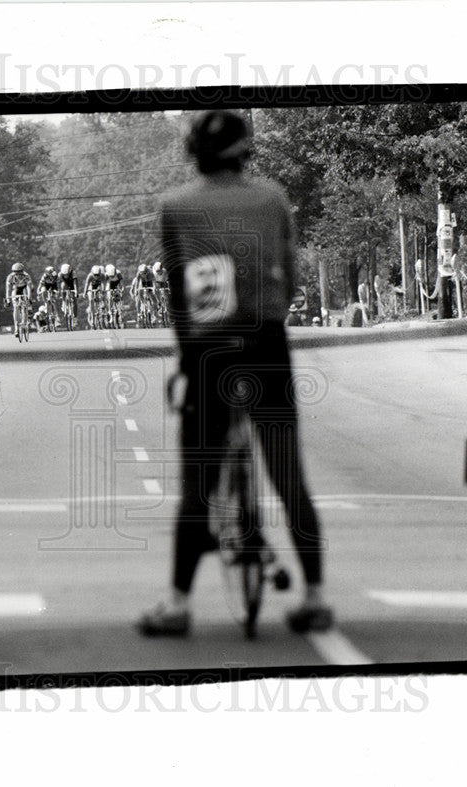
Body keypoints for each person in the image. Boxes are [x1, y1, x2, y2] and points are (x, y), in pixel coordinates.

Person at [138, 109, 332, 637]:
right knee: (289, 476)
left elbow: (180, 295)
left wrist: (185, 360)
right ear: (245, 151)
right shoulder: (271, 198)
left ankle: (178, 603)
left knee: (198, 484)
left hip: (209, 351)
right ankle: (314, 595)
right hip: (267, 341)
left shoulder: (174, 208)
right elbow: (289, 277)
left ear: (194, 152)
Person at [4, 262, 34, 335]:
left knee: (25, 305)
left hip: (24, 288)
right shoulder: (10, 277)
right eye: (16, 272)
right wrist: (8, 300)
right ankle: (16, 328)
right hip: (16, 289)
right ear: (13, 272)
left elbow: (29, 288)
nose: (18, 274)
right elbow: (8, 289)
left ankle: (24, 322)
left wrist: (29, 299)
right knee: (15, 307)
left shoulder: (26, 276)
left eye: (20, 272)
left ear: (22, 271)